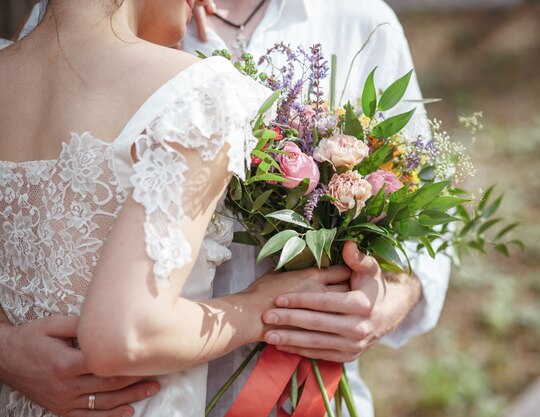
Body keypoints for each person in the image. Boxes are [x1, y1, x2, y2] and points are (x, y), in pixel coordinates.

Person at [0, 1, 450, 417]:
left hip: (305, 398)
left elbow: (426, 222)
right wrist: (6, 354)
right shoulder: (79, 24)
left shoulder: (360, 21)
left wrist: (385, 300)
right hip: (144, 395)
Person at [183, 1, 451, 416]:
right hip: (159, 394)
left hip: (318, 398)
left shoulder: (359, 19)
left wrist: (388, 301)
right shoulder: (123, 23)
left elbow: (424, 201)